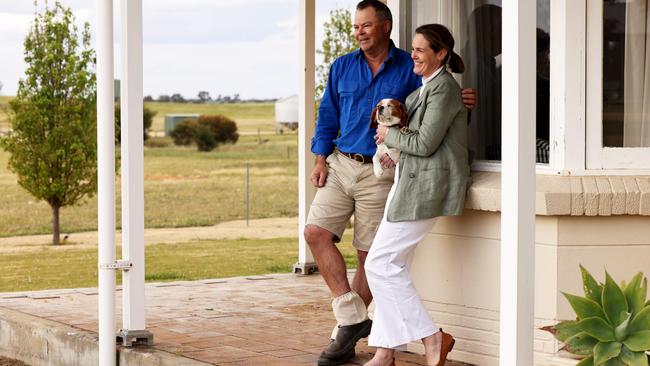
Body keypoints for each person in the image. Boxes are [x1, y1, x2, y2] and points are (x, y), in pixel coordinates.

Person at [304, 2, 475, 365]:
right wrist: (321, 158)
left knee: (375, 260)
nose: (359, 32)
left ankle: (390, 348)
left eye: (366, 25)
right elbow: (328, 115)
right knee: (317, 234)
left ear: (385, 26)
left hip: (389, 173)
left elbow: (430, 125)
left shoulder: (416, 75)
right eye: (355, 27)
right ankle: (354, 320)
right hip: (345, 162)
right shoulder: (343, 67)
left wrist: (462, 105)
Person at [364, 24, 470, 366]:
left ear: (441, 54)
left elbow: (423, 144)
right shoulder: (424, 90)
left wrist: (387, 135)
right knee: (393, 264)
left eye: (421, 50)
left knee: (379, 263)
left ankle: (432, 337)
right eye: (412, 49)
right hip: (407, 184)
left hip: (427, 187)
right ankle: (385, 351)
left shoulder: (444, 91)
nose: (413, 55)